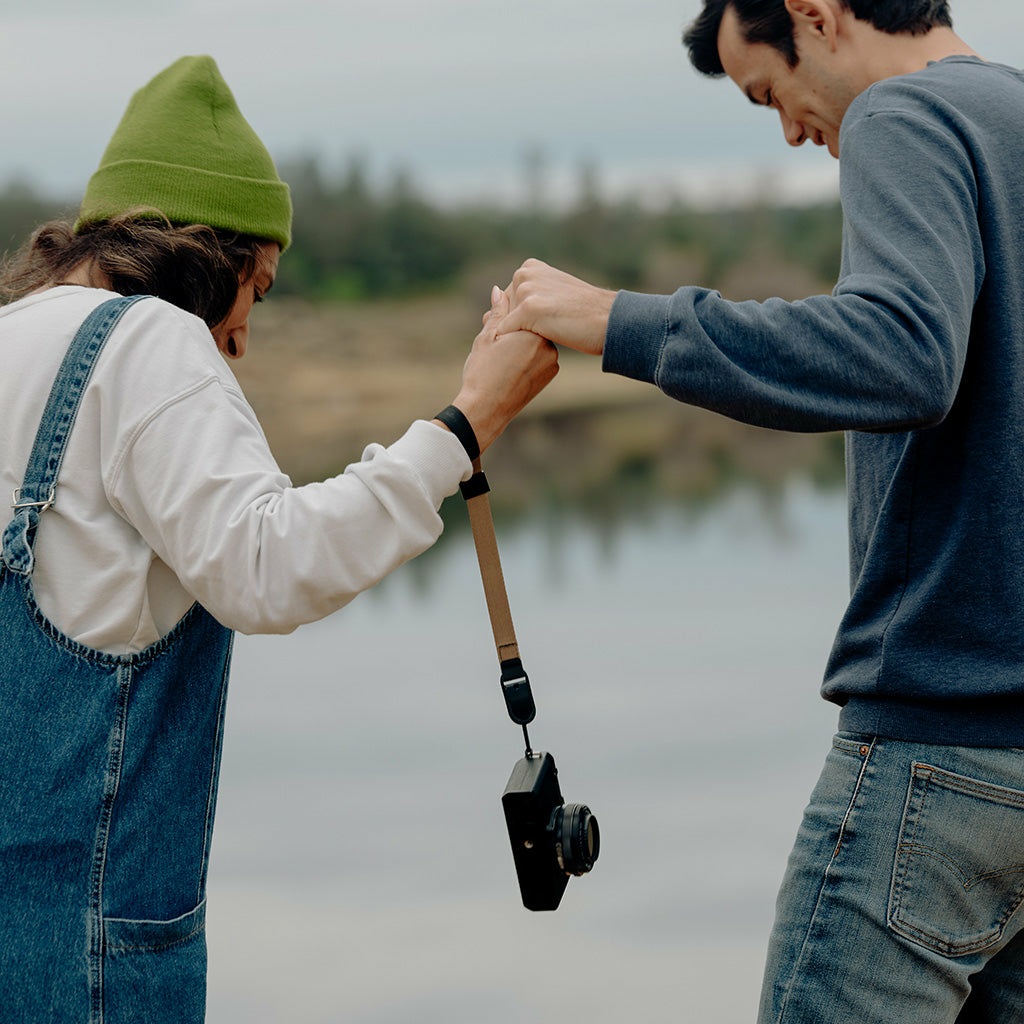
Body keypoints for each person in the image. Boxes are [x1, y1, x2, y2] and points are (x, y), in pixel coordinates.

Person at [0, 55, 556, 1022]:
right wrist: (465, 427)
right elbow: (268, 568)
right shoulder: (150, 340)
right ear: (206, 256)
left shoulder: (15, 337)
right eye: (258, 286)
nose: (245, 332)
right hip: (90, 957)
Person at [496, 2, 1024, 1021]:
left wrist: (620, 322)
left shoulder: (904, 116)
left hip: (939, 749)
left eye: (766, 93)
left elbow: (902, 354)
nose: (787, 131)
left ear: (816, 15)